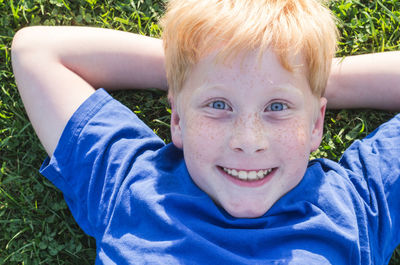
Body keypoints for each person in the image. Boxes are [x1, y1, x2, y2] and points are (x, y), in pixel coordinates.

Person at [11, 0, 400, 264]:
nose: (248, 141)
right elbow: (37, 51)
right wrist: (196, 67)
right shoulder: (132, 185)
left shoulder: (356, 207)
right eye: (218, 105)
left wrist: (304, 74)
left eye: (277, 107)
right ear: (177, 119)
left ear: (316, 124)